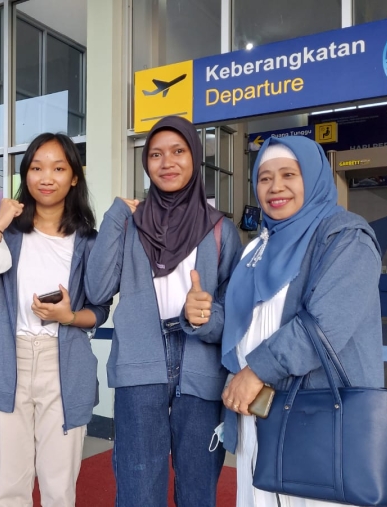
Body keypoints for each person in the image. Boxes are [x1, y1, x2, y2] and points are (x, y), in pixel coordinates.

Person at [85, 116, 242, 507]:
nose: (167, 162)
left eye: (178, 151)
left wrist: (206, 317)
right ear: (146, 163)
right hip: (140, 364)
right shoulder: (129, 226)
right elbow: (97, 290)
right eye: (155, 154)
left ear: (195, 157)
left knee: (198, 491)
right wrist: (115, 217)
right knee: (138, 491)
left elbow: (236, 315)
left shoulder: (220, 231)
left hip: (201, 367)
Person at [220, 136, 383, 507]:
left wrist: (255, 371)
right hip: (258, 415)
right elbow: (239, 322)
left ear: (312, 177)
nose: (275, 187)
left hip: (319, 420)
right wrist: (199, 316)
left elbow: (325, 324)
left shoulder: (345, 237)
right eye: (264, 178)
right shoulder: (256, 248)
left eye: (289, 175)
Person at [0, 133, 110, 506]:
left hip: (64, 363)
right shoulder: (9, 235)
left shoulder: (88, 242)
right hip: (9, 360)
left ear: (74, 178)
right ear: (25, 175)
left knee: (59, 487)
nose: (46, 177)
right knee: (12, 485)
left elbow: (99, 309)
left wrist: (69, 316)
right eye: (37, 168)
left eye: (58, 168)